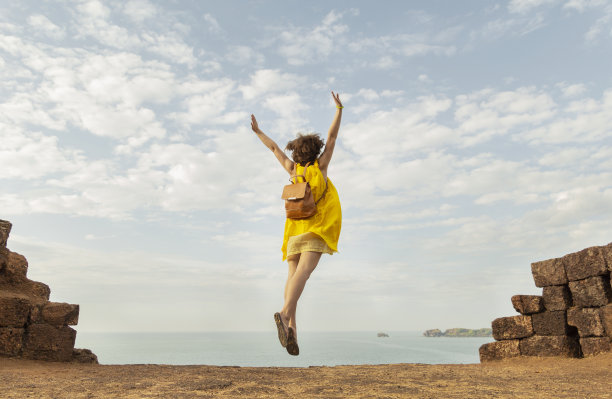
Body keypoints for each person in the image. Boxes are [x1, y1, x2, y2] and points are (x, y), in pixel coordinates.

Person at [250, 91, 343, 356]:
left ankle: (292, 330)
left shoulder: (293, 170)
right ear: (315, 151)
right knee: (304, 274)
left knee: (292, 276)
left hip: (292, 231)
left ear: (297, 153)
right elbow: (333, 136)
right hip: (314, 229)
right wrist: (339, 109)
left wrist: (258, 131)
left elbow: (274, 148)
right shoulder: (321, 166)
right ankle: (284, 313)